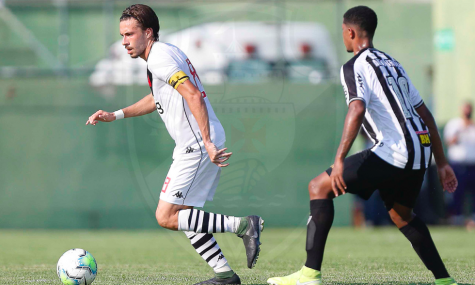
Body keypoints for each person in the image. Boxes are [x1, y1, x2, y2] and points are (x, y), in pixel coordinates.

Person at [267, 6, 458, 285]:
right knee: (401, 215)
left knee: (318, 186)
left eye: (343, 32)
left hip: (395, 149)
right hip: (420, 151)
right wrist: (441, 163)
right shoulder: (392, 62)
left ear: (351, 32)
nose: (343, 37)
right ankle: (445, 281)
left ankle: (309, 275)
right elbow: (425, 114)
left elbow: (356, 109)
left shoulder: (355, 65)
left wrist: (340, 158)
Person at [85, 5, 263, 285]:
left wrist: (206, 142)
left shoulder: (159, 59)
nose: (124, 42)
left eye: (130, 34)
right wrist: (115, 115)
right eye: (122, 35)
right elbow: (156, 98)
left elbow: (193, 95)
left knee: (166, 216)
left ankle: (242, 225)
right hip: (198, 142)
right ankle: (225, 275)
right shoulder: (165, 53)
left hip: (198, 144)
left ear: (148, 32)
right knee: (183, 213)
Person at [444, 102, 475, 229]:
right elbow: (449, 142)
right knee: (458, 191)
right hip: (458, 164)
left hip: (472, 164)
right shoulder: (454, 124)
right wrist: (462, 129)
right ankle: (457, 217)